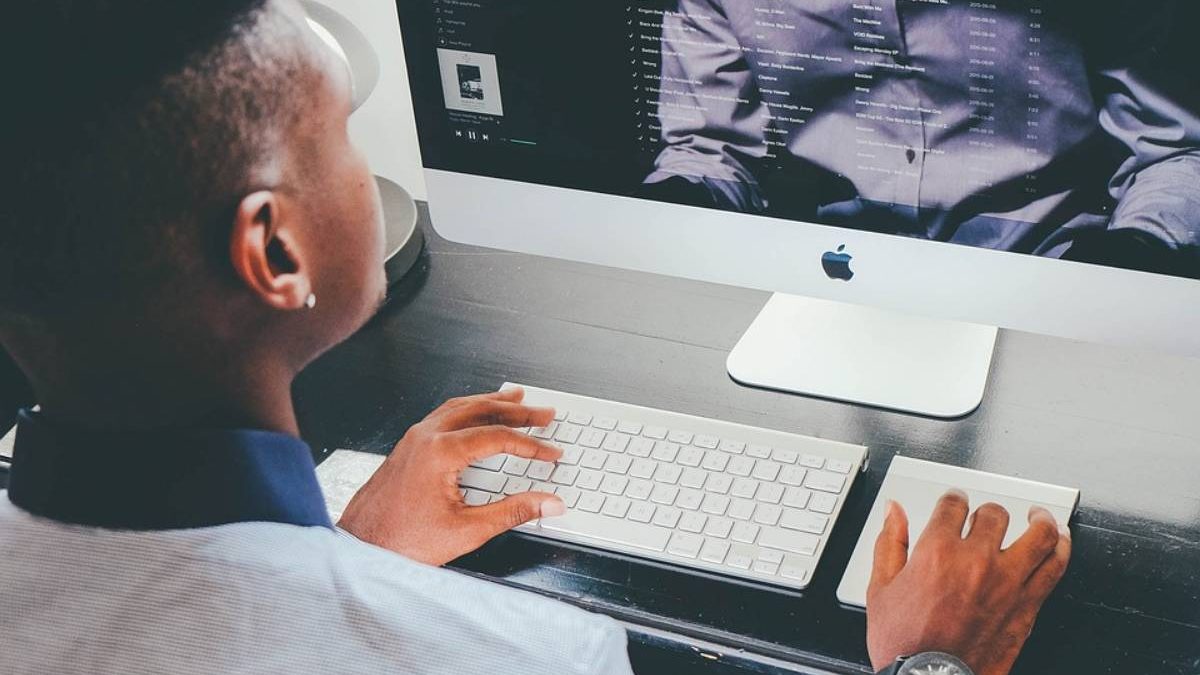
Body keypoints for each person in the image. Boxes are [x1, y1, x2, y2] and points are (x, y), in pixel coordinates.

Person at [0, 2, 1070, 674]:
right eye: (335, 137)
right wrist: (936, 665)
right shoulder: (525, 654)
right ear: (273, 253)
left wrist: (353, 553)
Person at [644, 0, 1200, 277]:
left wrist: (1132, 258)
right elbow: (710, 148)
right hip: (822, 272)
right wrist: (663, 214)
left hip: (1052, 276)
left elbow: (1173, 149)